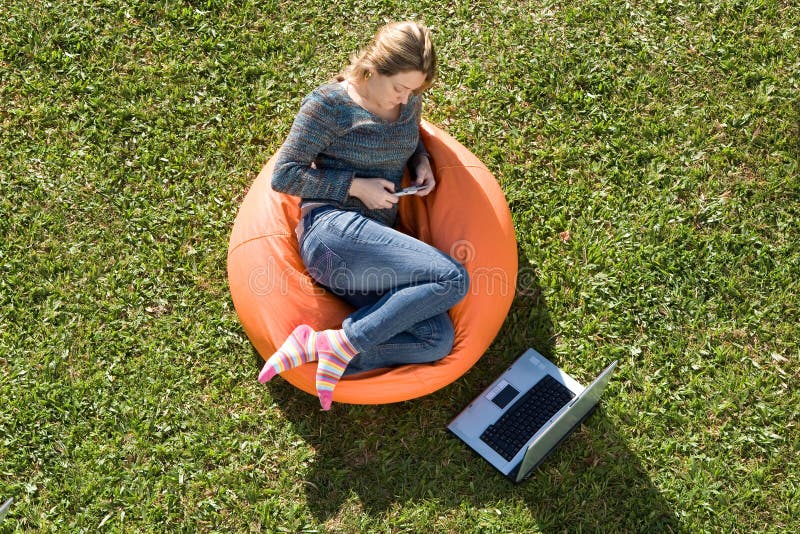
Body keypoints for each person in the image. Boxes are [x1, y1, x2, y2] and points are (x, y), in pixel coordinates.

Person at [257, 21, 469, 410]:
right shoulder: (328, 106)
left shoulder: (408, 103)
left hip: (373, 253)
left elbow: (411, 136)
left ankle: (320, 350)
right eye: (399, 87)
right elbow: (284, 174)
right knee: (453, 278)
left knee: (435, 339)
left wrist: (421, 162)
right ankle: (343, 342)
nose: (406, 98)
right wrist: (355, 186)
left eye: (415, 89)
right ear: (373, 68)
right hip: (332, 234)